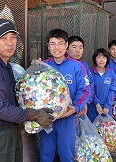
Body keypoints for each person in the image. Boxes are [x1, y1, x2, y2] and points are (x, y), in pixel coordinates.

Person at [0, 19, 54, 162]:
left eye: (13, 37)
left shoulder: (6, 66)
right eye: (3, 38)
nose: (10, 43)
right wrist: (35, 114)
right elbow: (0, 109)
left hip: (9, 131)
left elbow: (14, 98)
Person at [39, 29, 89, 161]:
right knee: (46, 154)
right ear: (48, 46)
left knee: (67, 155)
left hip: (67, 118)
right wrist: (35, 69)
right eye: (53, 44)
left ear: (66, 45)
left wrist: (76, 107)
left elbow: (84, 90)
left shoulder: (77, 66)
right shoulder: (43, 66)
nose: (57, 47)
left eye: (60, 43)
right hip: (46, 119)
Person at [87, 48, 116, 122]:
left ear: (107, 59)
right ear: (95, 59)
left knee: (106, 131)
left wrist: (107, 105)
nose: (101, 60)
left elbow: (113, 90)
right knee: (92, 131)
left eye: (104, 57)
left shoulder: (111, 73)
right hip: (93, 107)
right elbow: (89, 89)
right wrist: (97, 104)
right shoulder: (89, 73)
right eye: (98, 57)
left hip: (106, 108)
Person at [67, 35, 94, 116]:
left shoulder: (83, 65)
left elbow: (89, 84)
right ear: (66, 48)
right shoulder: (61, 64)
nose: (77, 51)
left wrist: (85, 103)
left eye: (80, 47)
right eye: (74, 47)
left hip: (80, 107)